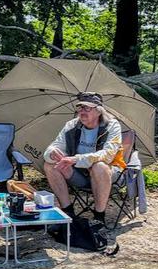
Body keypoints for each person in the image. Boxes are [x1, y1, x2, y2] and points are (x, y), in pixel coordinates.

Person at [42, 92, 123, 226]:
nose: (82, 112)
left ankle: (99, 216)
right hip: (79, 174)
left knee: (99, 166)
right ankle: (68, 212)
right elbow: (56, 145)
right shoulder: (72, 125)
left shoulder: (111, 125)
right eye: (80, 108)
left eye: (87, 108)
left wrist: (75, 159)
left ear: (98, 111)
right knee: (50, 165)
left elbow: (108, 155)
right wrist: (51, 153)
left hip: (106, 174)